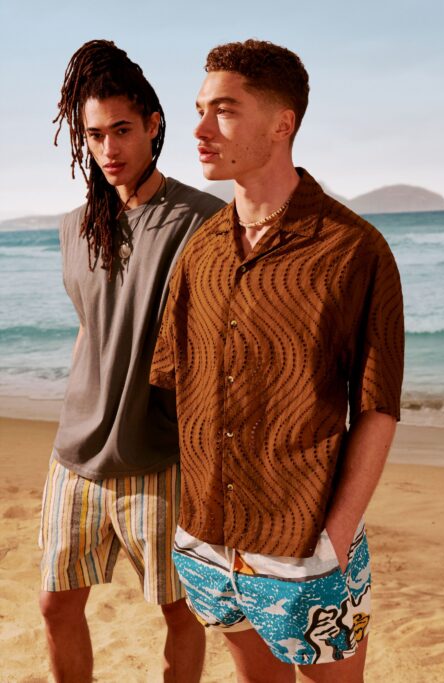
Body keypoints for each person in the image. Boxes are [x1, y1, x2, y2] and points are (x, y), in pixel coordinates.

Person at [150, 39, 404, 683]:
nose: (201, 130)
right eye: (200, 110)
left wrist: (334, 540)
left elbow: (376, 406)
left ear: (282, 123)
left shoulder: (354, 251)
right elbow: (174, 381)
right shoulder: (199, 250)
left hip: (305, 546)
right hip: (206, 538)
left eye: (225, 111)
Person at [38, 39, 224, 683]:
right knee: (55, 604)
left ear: (154, 125)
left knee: (182, 612)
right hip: (76, 458)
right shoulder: (74, 227)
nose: (109, 149)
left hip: (160, 456)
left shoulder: (203, 221)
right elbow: (98, 330)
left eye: (122, 130)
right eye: (94, 135)